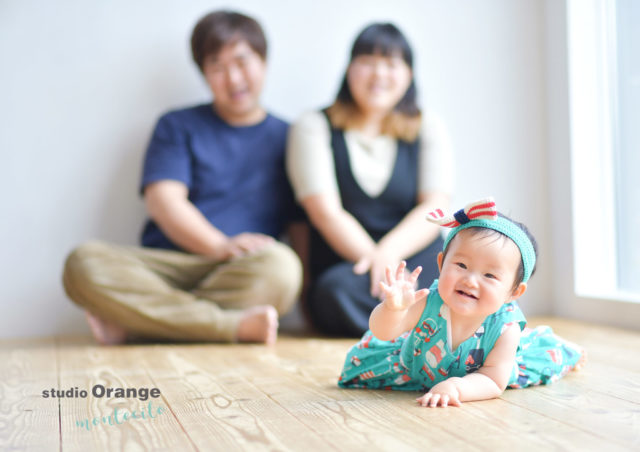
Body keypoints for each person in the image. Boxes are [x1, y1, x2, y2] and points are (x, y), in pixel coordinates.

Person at [62, 10, 303, 345]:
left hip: (241, 271)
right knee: (83, 263)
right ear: (203, 73)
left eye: (242, 62)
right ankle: (230, 326)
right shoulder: (176, 126)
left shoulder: (292, 137)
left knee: (283, 268)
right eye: (217, 67)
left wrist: (305, 304)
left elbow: (301, 224)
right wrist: (219, 245)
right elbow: (163, 202)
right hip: (165, 269)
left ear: (264, 61)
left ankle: (141, 323)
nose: (233, 79)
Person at [286, 23, 454, 337]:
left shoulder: (427, 125)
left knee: (448, 283)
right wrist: (379, 264)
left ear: (409, 75)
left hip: (414, 255)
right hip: (351, 265)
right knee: (334, 293)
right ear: (349, 70)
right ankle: (424, 326)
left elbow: (435, 205)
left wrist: (389, 255)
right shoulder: (313, 126)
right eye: (367, 62)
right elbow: (324, 212)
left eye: (391, 64)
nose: (379, 74)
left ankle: (399, 326)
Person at [337, 198, 586, 407]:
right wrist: (393, 310)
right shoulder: (429, 301)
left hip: (479, 372)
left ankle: (562, 346)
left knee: (540, 356)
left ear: (514, 292)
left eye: (489, 275)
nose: (470, 280)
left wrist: (458, 387)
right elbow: (384, 332)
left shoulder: (505, 328)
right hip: (413, 367)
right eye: (461, 265)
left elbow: (493, 380)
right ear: (441, 264)